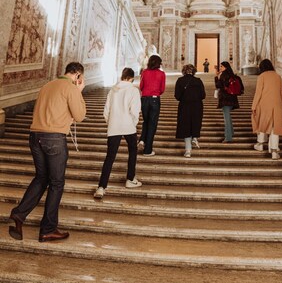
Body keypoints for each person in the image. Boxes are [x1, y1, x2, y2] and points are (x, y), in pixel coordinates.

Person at [8, 62, 86, 243]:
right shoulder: (70, 87)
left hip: (35, 137)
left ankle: (19, 214)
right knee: (57, 183)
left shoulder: (47, 85)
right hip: (54, 139)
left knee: (41, 177)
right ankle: (48, 229)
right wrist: (79, 91)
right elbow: (80, 116)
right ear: (77, 75)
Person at [94, 68, 142, 200]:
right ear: (132, 78)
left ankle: (101, 187)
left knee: (110, 157)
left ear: (123, 76)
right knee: (133, 151)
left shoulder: (113, 90)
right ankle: (130, 179)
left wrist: (111, 123)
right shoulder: (133, 90)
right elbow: (135, 110)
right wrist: (133, 123)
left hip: (113, 127)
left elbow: (106, 111)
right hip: (129, 126)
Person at [251, 58, 282, 160]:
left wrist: (254, 106)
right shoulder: (278, 76)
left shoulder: (261, 76)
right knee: (275, 128)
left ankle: (260, 144)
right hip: (277, 105)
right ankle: (274, 151)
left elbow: (258, 93)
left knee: (263, 124)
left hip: (264, 104)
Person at [174, 64, 206, 157]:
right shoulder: (198, 81)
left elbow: (177, 95)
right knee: (195, 123)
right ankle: (194, 138)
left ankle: (188, 151)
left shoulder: (180, 80)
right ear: (194, 71)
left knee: (186, 126)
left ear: (184, 71)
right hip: (197, 105)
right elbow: (203, 95)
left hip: (184, 105)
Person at [139, 55, 166, 156]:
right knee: (152, 124)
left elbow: (141, 86)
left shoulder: (144, 72)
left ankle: (142, 140)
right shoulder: (161, 74)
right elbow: (162, 89)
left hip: (144, 99)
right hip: (155, 99)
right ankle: (147, 150)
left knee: (146, 121)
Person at [215, 61, 244, 143]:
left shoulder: (223, 75)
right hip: (232, 98)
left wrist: (216, 77)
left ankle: (228, 138)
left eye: (221, 66)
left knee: (226, 119)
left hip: (225, 99)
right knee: (228, 117)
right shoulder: (232, 75)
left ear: (225, 67)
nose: (220, 68)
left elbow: (218, 85)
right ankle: (231, 133)